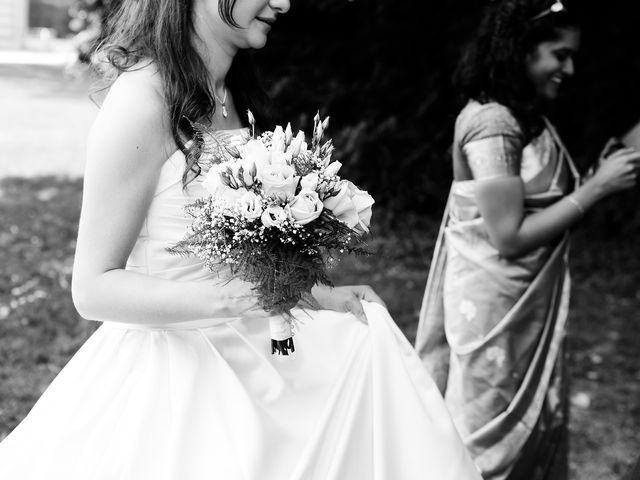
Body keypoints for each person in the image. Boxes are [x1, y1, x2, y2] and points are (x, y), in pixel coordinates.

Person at [0, 0, 481, 479]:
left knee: (368, 379)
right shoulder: (143, 100)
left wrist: (319, 297)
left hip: (256, 348)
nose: (284, 2)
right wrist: (244, 298)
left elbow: (238, 258)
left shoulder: (231, 94)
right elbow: (93, 288)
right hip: (176, 381)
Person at [414, 1, 640, 479]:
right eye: (560, 54)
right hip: (494, 314)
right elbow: (509, 237)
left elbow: (546, 208)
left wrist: (604, 172)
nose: (570, 68)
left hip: (525, 313)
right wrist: (599, 189)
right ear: (522, 50)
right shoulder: (493, 124)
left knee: (533, 432)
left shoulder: (525, 118)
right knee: (483, 442)